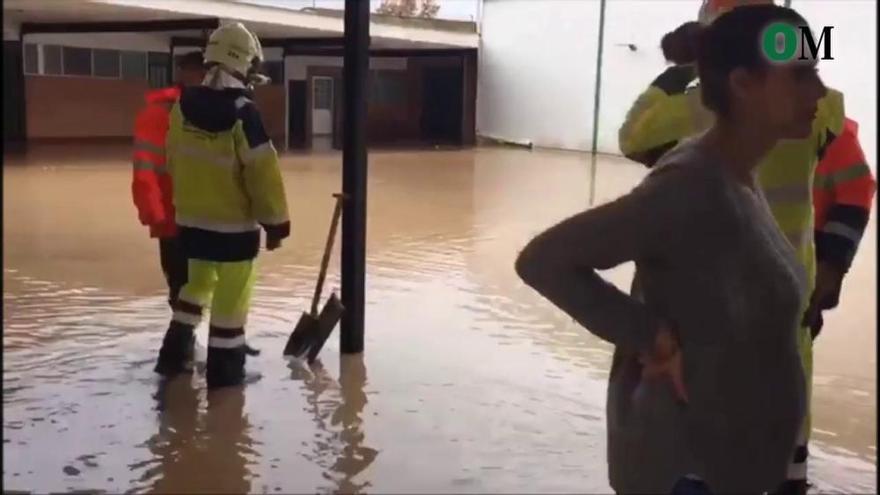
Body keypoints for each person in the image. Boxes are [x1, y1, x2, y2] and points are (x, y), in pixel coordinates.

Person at [517, 5, 824, 493]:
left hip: (731, 465)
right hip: (688, 472)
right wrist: (649, 335)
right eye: (803, 75)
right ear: (744, 84)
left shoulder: (740, 173)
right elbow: (544, 260)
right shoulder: (693, 184)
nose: (820, 92)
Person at [617, 1, 875, 491]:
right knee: (779, 452)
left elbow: (633, 138)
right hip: (787, 307)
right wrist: (833, 271)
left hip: (699, 324)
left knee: (691, 456)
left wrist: (681, 67)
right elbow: (856, 189)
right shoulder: (823, 108)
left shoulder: (694, 107)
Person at [154, 22, 291, 389]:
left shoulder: (182, 107)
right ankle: (226, 379)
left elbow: (173, 160)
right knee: (230, 306)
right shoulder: (244, 113)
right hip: (233, 233)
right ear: (244, 62)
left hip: (191, 226)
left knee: (194, 290)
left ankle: (172, 360)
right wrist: (277, 224)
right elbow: (263, 174)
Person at [131, 51, 207, 309]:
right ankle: (182, 343)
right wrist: (155, 214)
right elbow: (145, 169)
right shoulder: (160, 114)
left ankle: (204, 342)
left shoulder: (219, 109)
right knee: (183, 288)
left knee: (203, 287)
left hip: (208, 218)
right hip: (177, 219)